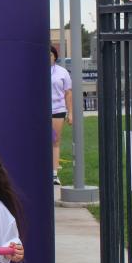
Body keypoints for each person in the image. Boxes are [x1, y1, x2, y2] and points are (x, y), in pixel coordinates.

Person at [50, 45, 72, 185]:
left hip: (58, 110)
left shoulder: (62, 72)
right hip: (40, 111)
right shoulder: (36, 70)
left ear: (55, 56)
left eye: (50, 54)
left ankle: (54, 174)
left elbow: (68, 93)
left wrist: (71, 113)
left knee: (55, 140)